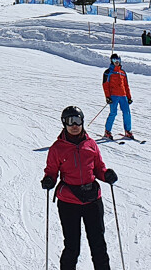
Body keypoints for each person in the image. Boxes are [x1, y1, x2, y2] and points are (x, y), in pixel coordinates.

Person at [42, 106, 116, 270]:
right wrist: (49, 180)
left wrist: (106, 175)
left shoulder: (91, 144)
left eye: (77, 120)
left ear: (82, 121)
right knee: (72, 246)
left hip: (92, 200)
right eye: (70, 121)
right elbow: (51, 171)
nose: (74, 125)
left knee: (98, 244)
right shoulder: (57, 148)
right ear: (64, 123)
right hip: (69, 202)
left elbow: (99, 168)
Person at [101, 54, 133, 140]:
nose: (117, 62)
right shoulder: (108, 72)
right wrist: (108, 97)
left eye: (118, 60)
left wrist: (129, 97)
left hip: (123, 96)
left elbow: (126, 85)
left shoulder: (122, 72)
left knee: (127, 113)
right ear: (111, 61)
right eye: (114, 60)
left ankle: (128, 130)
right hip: (113, 96)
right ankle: (107, 131)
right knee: (113, 113)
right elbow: (105, 85)